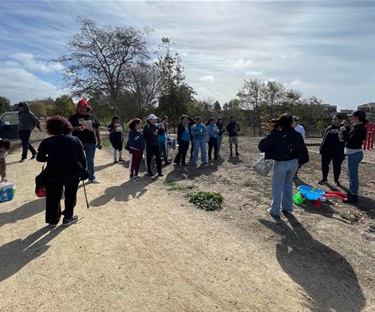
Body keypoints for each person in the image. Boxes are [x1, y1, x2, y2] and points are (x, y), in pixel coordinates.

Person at [36, 115, 87, 228]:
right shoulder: (75, 139)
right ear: (67, 127)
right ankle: (68, 217)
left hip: (54, 171)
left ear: (50, 128)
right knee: (70, 194)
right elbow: (82, 158)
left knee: (53, 196)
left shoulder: (46, 142)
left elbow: (39, 158)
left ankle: (53, 220)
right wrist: (84, 171)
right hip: (73, 171)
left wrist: (52, 158)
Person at [258, 113, 308, 218]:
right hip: (294, 163)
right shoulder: (296, 134)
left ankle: (275, 210)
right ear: (291, 122)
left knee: (277, 186)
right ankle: (288, 208)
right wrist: (300, 161)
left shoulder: (277, 134)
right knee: (288, 184)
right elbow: (302, 149)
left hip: (281, 163)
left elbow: (262, 146)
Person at [69, 99, 102, 183]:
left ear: (87, 108)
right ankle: (78, 176)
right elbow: (68, 129)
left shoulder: (92, 117)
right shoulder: (73, 117)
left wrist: (99, 141)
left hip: (91, 141)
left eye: (83, 107)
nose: (81, 109)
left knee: (90, 159)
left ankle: (91, 177)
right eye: (79, 107)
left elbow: (97, 129)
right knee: (77, 160)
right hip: (77, 142)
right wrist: (76, 128)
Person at [340, 110, 368, 203]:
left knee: (353, 176)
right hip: (351, 153)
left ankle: (354, 195)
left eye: (352, 117)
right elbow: (350, 136)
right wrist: (346, 127)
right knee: (350, 174)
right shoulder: (356, 127)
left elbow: (351, 140)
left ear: (357, 117)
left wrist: (344, 132)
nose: (351, 118)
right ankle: (352, 191)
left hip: (354, 154)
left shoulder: (360, 128)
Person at [318, 114, 346, 186]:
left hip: (338, 151)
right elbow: (324, 139)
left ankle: (336, 180)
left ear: (340, 120)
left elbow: (346, 139)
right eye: (333, 119)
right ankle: (324, 179)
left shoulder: (343, 128)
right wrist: (321, 147)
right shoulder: (329, 128)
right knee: (324, 165)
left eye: (335, 119)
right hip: (327, 150)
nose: (333, 120)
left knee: (336, 166)